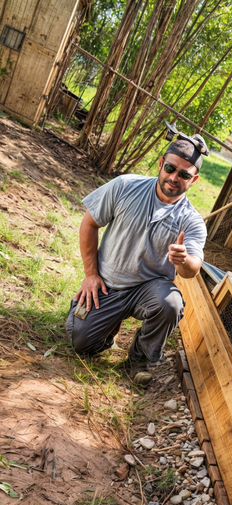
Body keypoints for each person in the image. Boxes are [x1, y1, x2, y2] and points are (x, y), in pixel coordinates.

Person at [66, 133, 208, 372]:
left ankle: (139, 360)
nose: (174, 177)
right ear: (161, 163)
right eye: (171, 168)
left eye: (184, 174)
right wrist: (90, 274)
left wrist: (183, 260)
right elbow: (89, 224)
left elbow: (192, 269)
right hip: (106, 284)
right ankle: (107, 325)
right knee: (79, 343)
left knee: (171, 304)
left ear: (193, 180)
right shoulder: (125, 186)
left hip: (147, 290)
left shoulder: (191, 220)